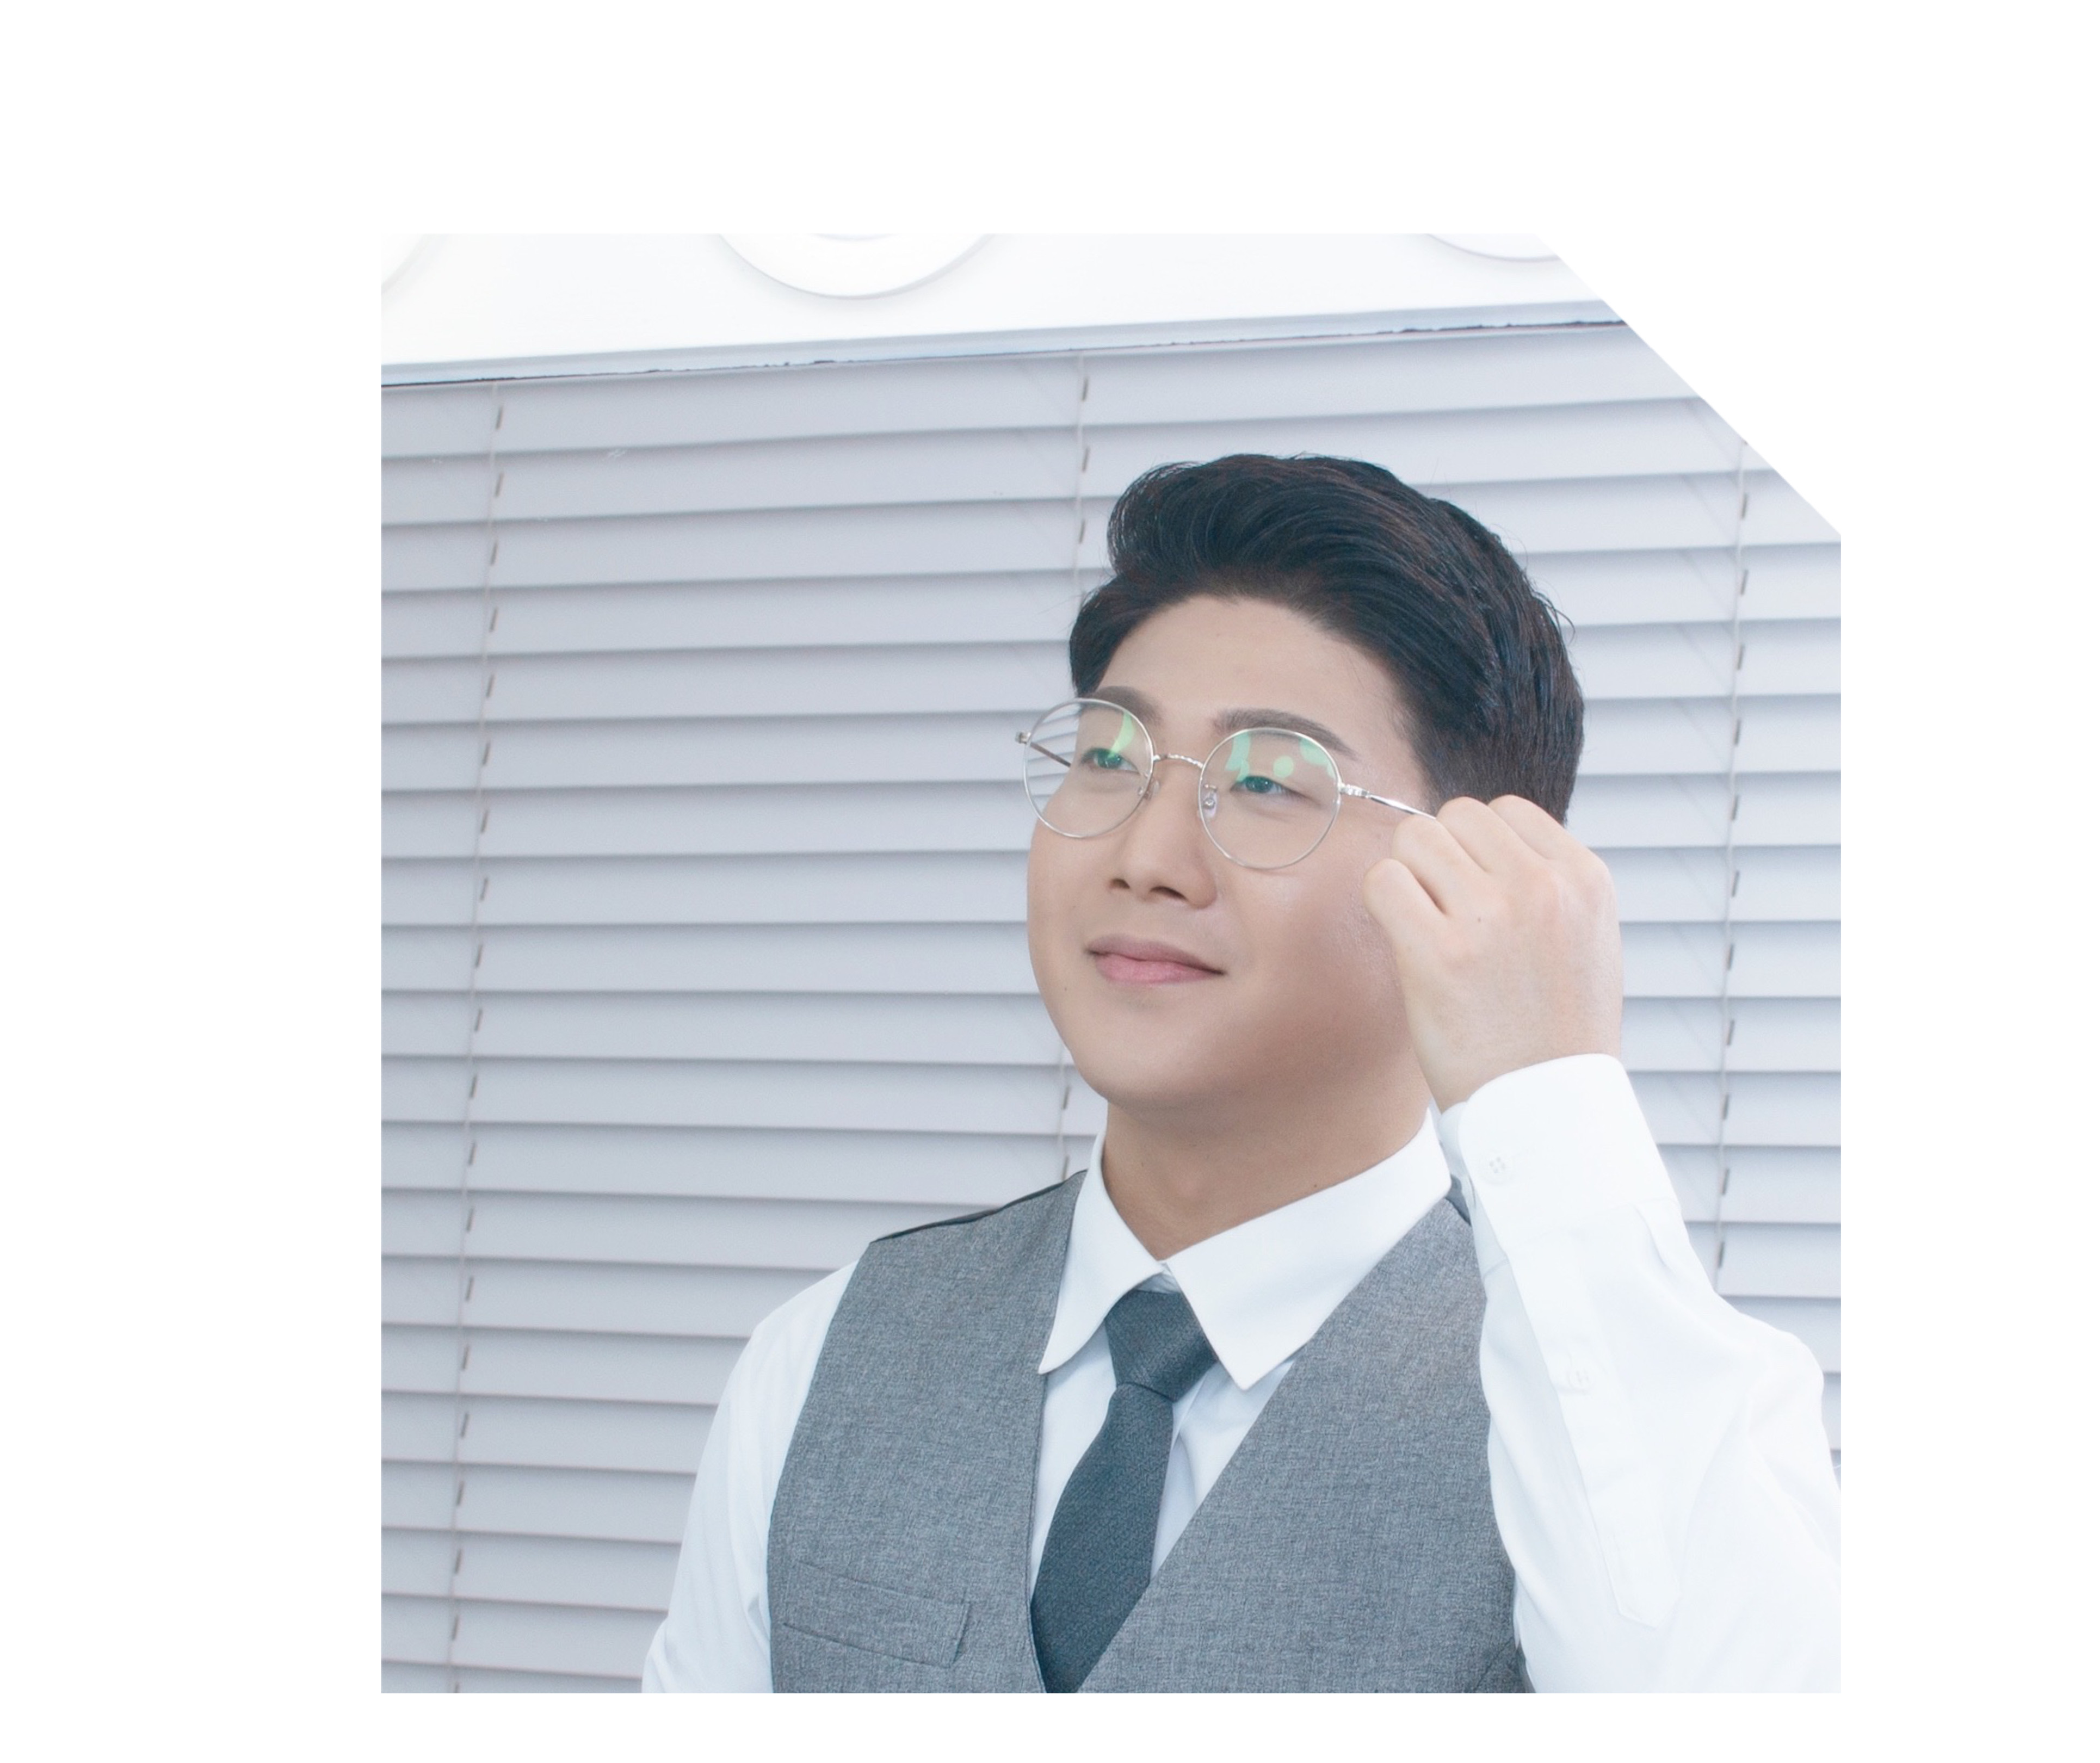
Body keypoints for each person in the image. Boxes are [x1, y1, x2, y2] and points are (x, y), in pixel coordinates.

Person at [643, 454, 1839, 1692]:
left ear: (1472, 872)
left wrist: (1547, 1090)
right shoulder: (824, 1356)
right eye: (1106, 758)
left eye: (1265, 781)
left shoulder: (1619, 1401)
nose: (1144, 855)